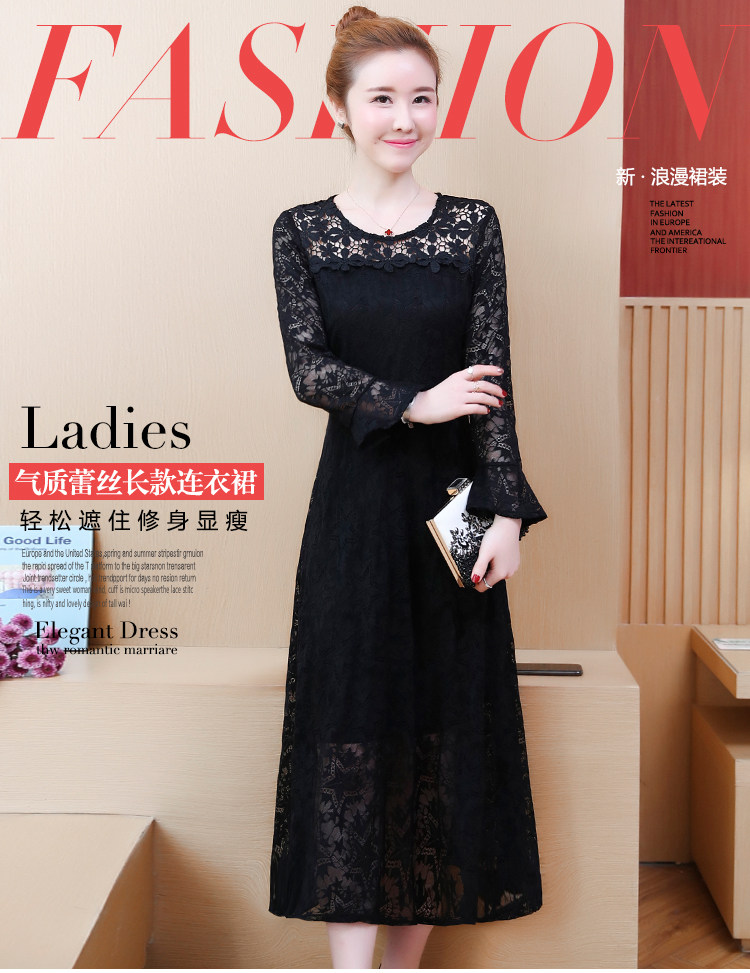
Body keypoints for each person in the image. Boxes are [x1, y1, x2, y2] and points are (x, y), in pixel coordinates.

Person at [268, 6, 548, 969]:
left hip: (453, 513)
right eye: (382, 98)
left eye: (421, 98)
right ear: (340, 109)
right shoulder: (302, 233)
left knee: (444, 738)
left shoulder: (474, 227)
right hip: (354, 512)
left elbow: (494, 379)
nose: (404, 117)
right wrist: (414, 402)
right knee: (349, 735)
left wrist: (506, 511)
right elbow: (309, 369)